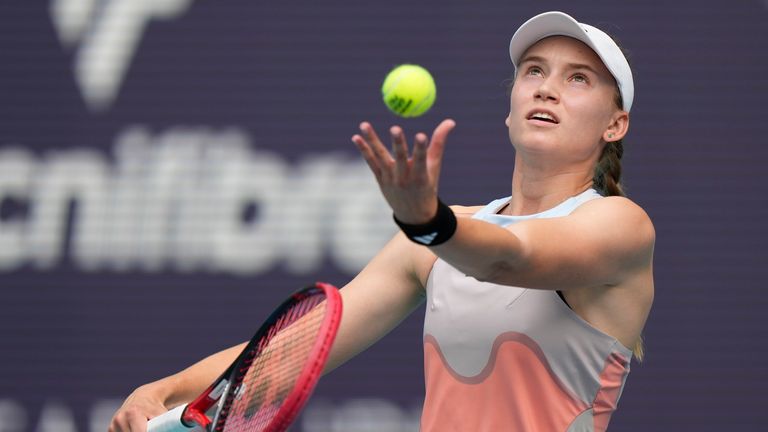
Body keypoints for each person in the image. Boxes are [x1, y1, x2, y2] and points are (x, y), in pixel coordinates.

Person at [110, 11, 654, 432]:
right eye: (533, 71)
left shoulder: (620, 228)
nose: (547, 87)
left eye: (578, 79)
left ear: (615, 124)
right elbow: (293, 354)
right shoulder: (433, 241)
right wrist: (164, 390)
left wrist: (429, 223)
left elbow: (512, 256)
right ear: (510, 106)